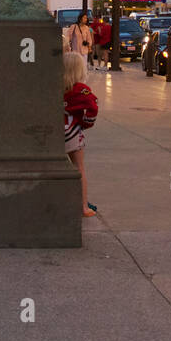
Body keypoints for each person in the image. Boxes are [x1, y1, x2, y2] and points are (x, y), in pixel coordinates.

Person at [63, 51, 99, 217]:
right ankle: (83, 206)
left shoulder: (58, 86)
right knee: (79, 169)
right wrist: (86, 123)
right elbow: (93, 107)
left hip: (58, 131)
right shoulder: (81, 90)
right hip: (72, 132)